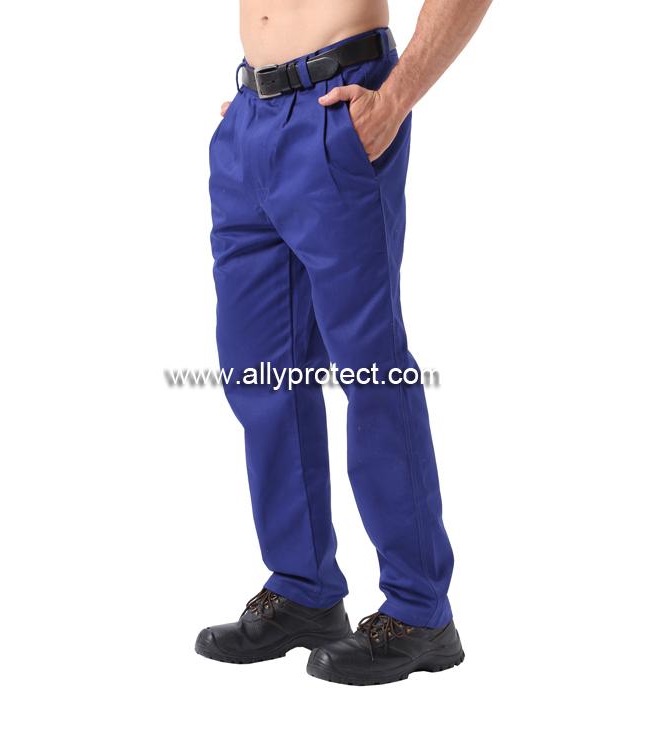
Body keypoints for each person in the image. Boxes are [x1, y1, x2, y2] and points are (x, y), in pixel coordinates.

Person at [196, 0, 492, 685]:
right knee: (260, 374)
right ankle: (303, 589)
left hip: (340, 107)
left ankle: (420, 610)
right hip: (250, 118)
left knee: (371, 368)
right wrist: (257, 111)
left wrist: (396, 98)